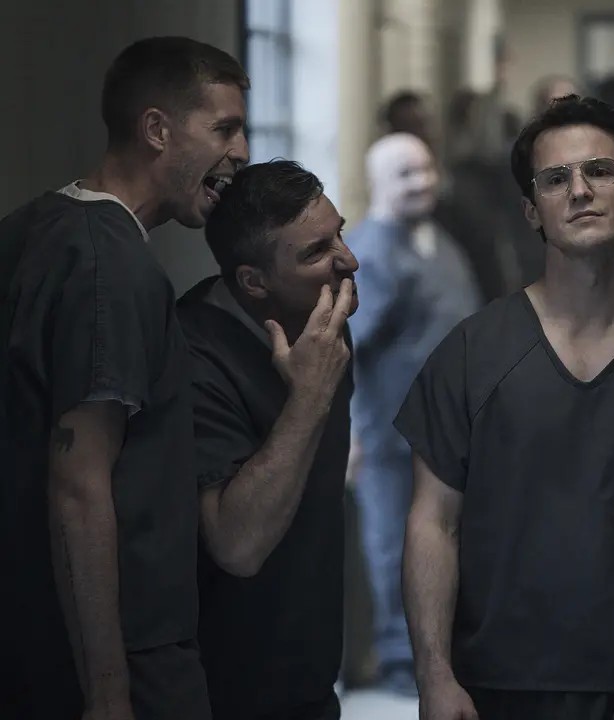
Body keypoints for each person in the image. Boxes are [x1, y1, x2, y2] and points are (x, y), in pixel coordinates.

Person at [396, 95, 614, 720]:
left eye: (601, 171)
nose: (580, 190)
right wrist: (434, 676)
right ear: (532, 211)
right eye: (556, 179)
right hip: (500, 690)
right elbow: (434, 524)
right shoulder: (472, 356)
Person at [1, 36, 249, 719]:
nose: (241, 151)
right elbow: (79, 487)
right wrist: (109, 691)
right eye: (224, 128)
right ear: (156, 129)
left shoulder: (32, 229)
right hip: (126, 660)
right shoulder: (111, 267)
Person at [177, 160, 357, 720]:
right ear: (254, 282)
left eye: (340, 234)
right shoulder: (192, 354)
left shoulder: (322, 322)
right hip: (222, 689)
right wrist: (309, 397)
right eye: (317, 251)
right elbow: (237, 546)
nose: (349, 261)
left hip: (309, 674)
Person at [346, 133, 482, 697]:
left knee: (444, 541)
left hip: (445, 431)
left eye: (426, 169)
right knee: (393, 545)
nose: (421, 182)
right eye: (405, 174)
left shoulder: (436, 239)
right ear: (377, 182)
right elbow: (347, 348)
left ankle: (440, 653)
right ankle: (402, 658)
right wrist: (350, 431)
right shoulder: (371, 252)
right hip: (389, 434)